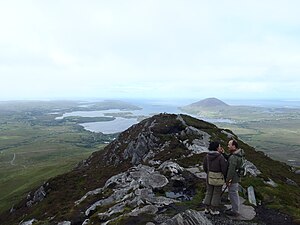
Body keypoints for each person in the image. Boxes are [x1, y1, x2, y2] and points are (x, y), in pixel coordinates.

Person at [203, 141, 228, 215]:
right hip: (218, 177)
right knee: (216, 193)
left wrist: (208, 173)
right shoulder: (220, 157)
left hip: (209, 177)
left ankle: (206, 208)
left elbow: (204, 167)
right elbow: (224, 169)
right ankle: (213, 210)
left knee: (209, 192)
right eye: (219, 146)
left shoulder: (207, 156)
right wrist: (225, 176)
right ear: (217, 148)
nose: (220, 147)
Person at [225, 139, 245, 217]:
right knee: (234, 193)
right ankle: (234, 208)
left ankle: (235, 211)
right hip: (237, 177)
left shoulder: (234, 157)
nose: (228, 146)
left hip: (233, 178)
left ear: (234, 146)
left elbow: (231, 170)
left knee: (233, 194)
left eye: (229, 145)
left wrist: (228, 180)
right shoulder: (240, 154)